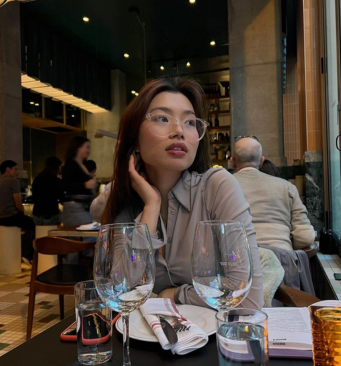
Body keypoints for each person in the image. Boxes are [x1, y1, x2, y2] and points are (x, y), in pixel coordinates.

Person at [90, 77, 263, 310]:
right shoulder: (128, 199)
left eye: (190, 122)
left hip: (214, 341)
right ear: (135, 141)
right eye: (162, 118)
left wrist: (173, 295)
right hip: (146, 341)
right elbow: (120, 291)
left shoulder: (217, 187)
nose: (179, 130)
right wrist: (151, 206)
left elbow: (248, 300)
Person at [230, 137, 315, 251]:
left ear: (232, 162)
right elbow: (305, 237)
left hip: (237, 262)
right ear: (261, 161)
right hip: (281, 261)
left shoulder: (221, 188)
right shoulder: (287, 187)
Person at [0, 160, 35, 261]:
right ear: (8, 170)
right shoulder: (13, 181)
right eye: (15, 169)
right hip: (10, 218)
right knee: (35, 225)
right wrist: (24, 214)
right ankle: (29, 255)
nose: (17, 172)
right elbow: (18, 204)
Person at [61, 137, 96, 227]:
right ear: (78, 148)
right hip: (75, 207)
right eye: (87, 147)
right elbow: (65, 185)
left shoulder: (81, 165)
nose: (89, 150)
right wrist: (85, 185)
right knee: (86, 235)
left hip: (82, 206)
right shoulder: (70, 164)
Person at [32, 156, 63, 225]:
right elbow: (61, 198)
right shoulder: (57, 181)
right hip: (52, 213)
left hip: (37, 214)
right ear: (57, 167)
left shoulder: (37, 179)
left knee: (40, 234)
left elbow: (34, 196)